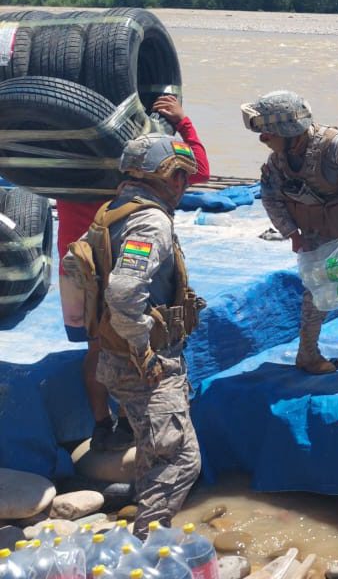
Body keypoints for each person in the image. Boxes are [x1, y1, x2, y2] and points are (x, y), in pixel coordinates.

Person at [62, 133, 205, 536]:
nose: (184, 186)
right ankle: (147, 542)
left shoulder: (113, 210)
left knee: (152, 448)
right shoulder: (150, 221)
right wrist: (144, 346)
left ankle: (142, 527)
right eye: (181, 176)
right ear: (168, 176)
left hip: (114, 357)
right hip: (143, 365)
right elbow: (124, 291)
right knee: (179, 461)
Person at [57, 94, 211, 452]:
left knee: (98, 346)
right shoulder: (148, 210)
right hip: (121, 271)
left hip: (82, 262)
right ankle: (134, 430)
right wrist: (182, 122)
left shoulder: (68, 159)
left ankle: (105, 428)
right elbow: (197, 169)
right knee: (129, 351)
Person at [243, 90, 338, 374]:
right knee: (316, 295)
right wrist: (291, 232)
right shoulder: (276, 164)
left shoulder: (337, 146)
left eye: (268, 132)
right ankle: (307, 354)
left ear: (289, 130)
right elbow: (270, 198)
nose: (263, 139)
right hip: (315, 236)